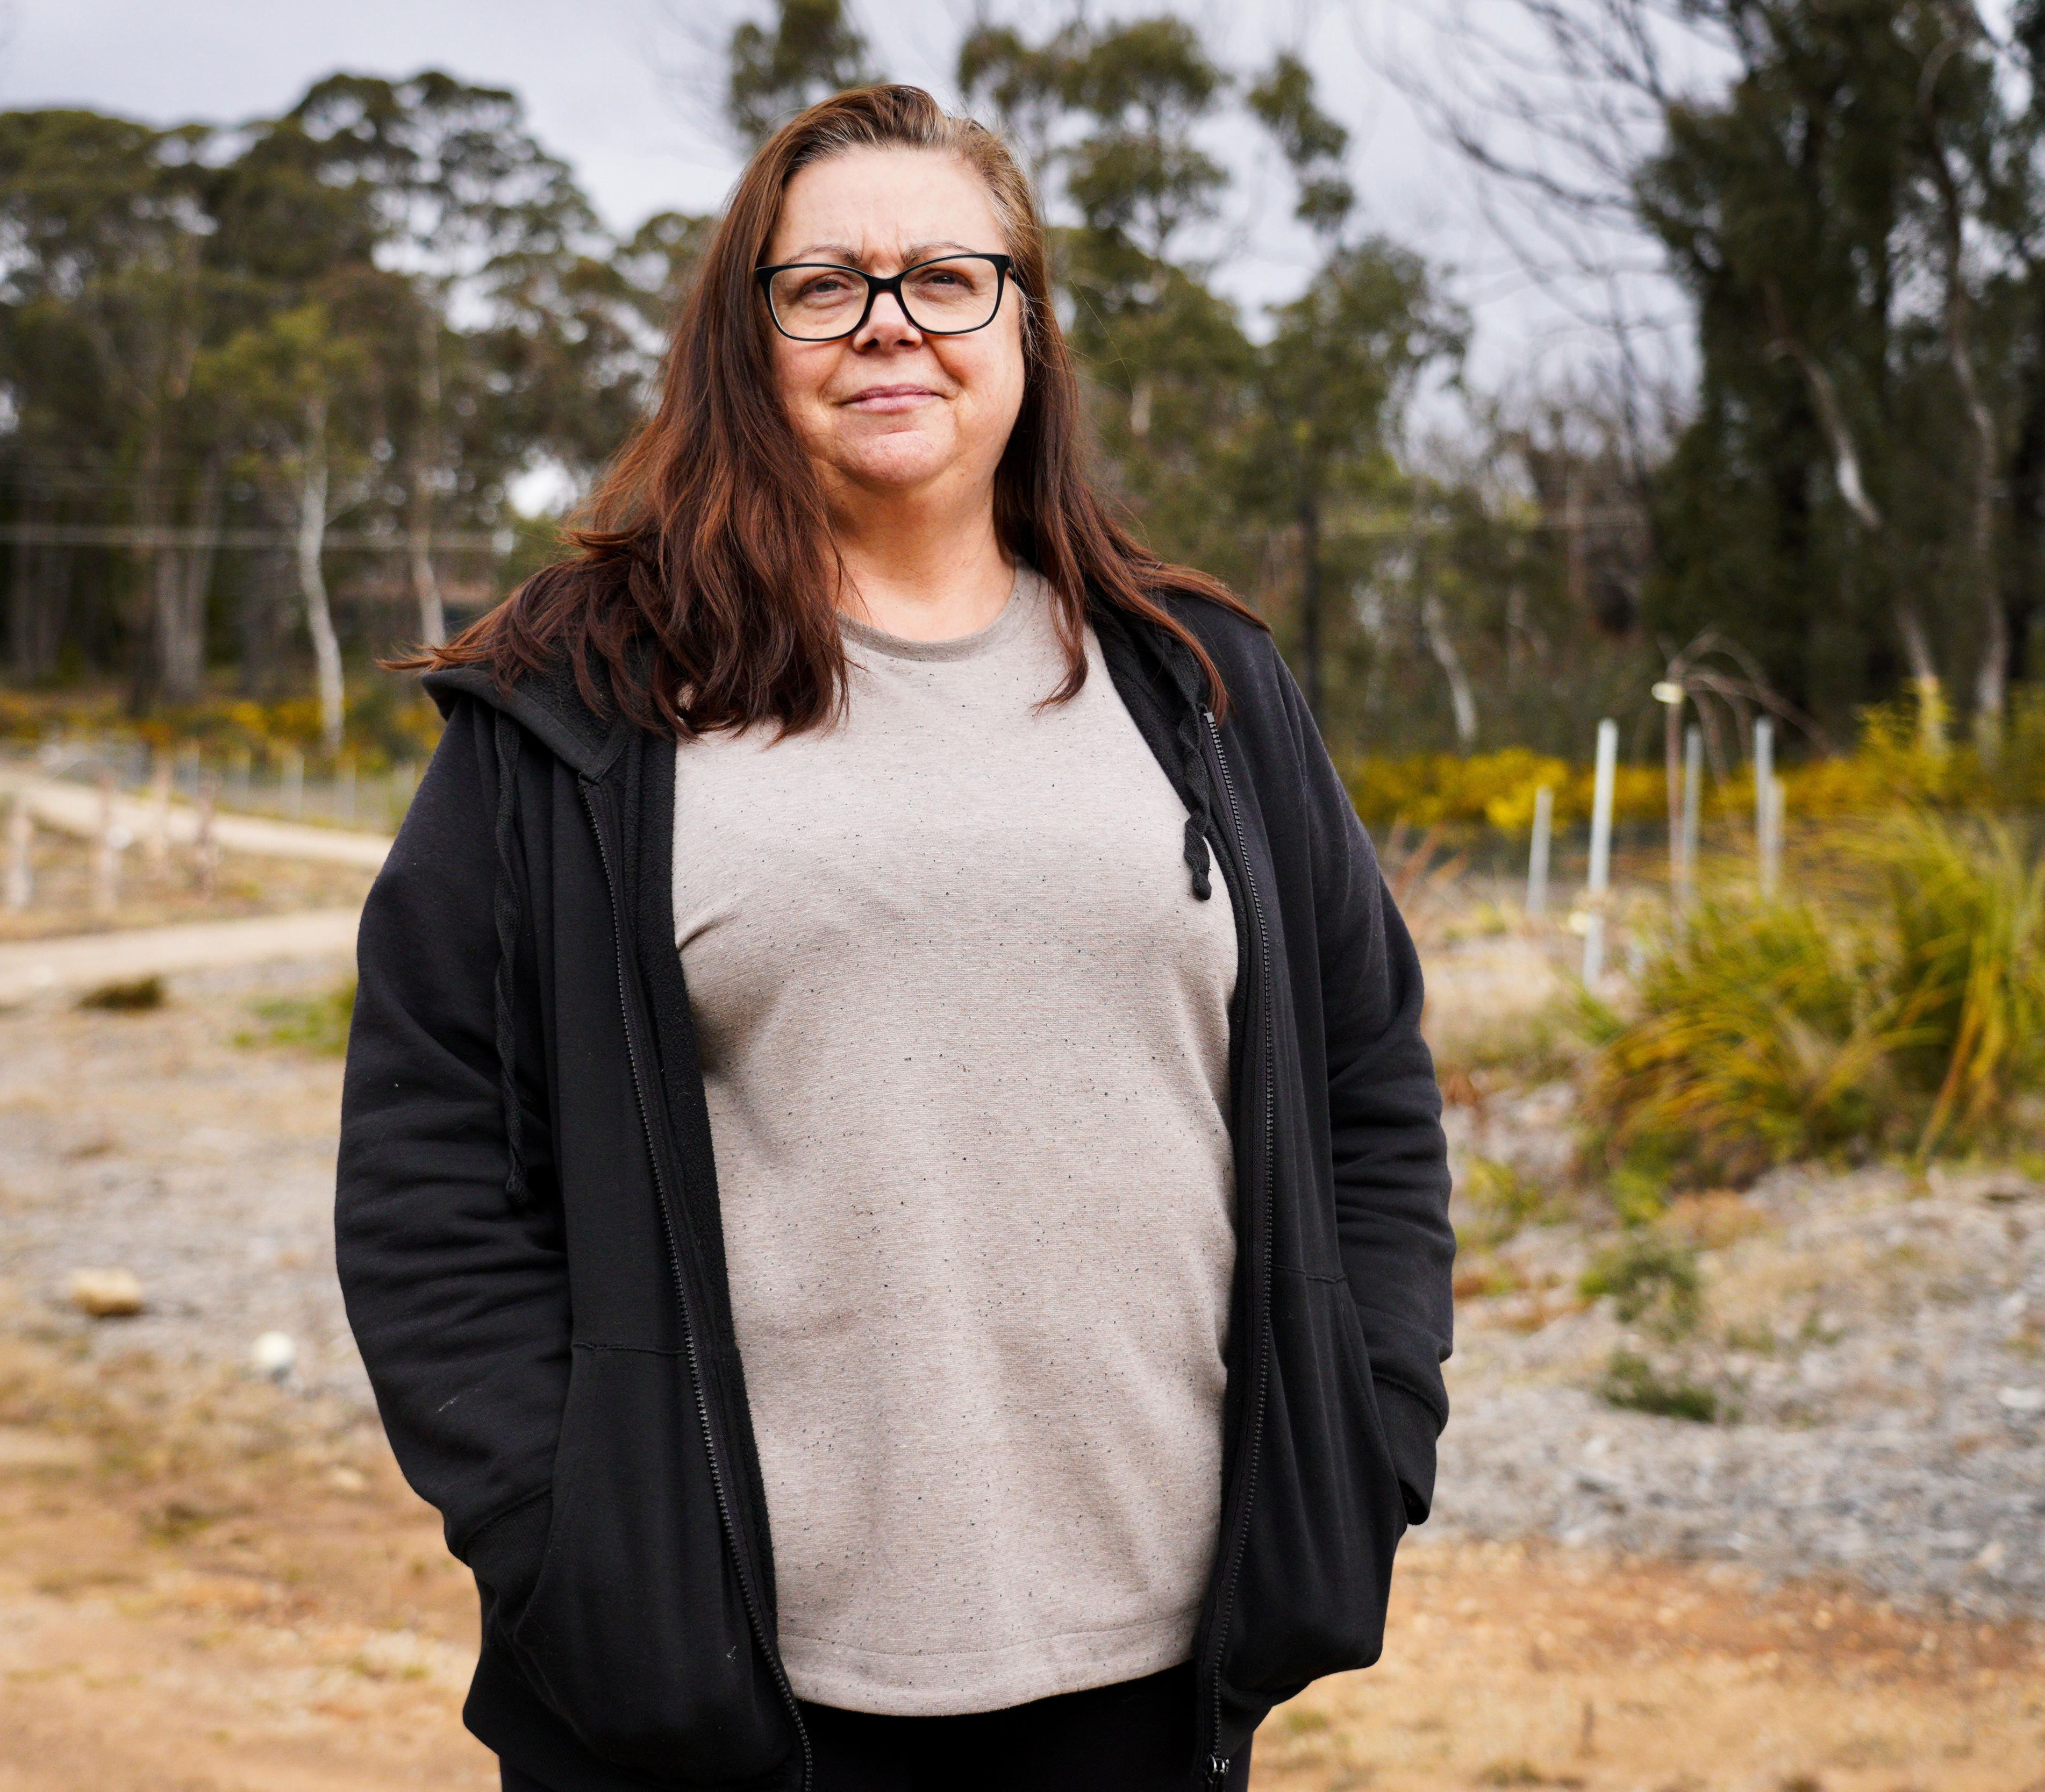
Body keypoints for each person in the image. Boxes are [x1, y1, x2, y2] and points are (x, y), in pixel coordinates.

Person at [336, 83, 1454, 1792]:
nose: (888, 328)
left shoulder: (1205, 684)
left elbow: (1368, 1080)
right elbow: (429, 1156)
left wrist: (1366, 1436)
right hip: (719, 1697)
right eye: (822, 286)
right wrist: (562, 1538)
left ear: (1025, 323)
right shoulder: (588, 703)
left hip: (1152, 1673)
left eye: (946, 277)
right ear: (750, 334)